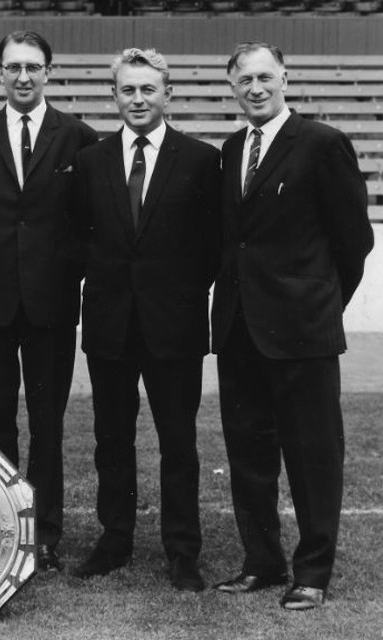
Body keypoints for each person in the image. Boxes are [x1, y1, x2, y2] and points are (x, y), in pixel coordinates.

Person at [211, 42, 374, 610]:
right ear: (231, 86)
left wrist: (318, 304)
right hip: (239, 331)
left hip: (302, 332)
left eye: (264, 77)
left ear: (284, 78)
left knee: (312, 455)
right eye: (243, 80)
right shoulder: (231, 149)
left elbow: (355, 242)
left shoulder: (323, 144)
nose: (255, 88)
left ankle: (313, 571)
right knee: (249, 454)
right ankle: (261, 562)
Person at [70, 48, 221, 591]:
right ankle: (115, 540)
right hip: (110, 323)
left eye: (148, 90)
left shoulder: (201, 159)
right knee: (112, 439)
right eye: (128, 90)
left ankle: (183, 550)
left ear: (167, 94)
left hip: (173, 325)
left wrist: (176, 295)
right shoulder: (91, 160)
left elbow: (212, 247)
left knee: (178, 440)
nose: (138, 99)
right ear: (115, 95)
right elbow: (80, 238)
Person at [0, 30, 98, 571]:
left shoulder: (80, 138)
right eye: (13, 67)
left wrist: (62, 270)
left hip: (52, 304)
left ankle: (44, 535)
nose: (23, 76)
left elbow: (91, 220)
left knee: (47, 421)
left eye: (33, 67)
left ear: (49, 72)